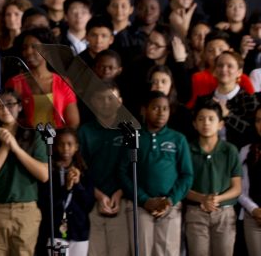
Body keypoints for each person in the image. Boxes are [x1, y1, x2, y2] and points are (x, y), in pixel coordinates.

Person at [119, 92, 193, 256]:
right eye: (155, 108)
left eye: (165, 108)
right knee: (141, 251)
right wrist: (145, 200)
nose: (161, 112)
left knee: (167, 251)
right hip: (140, 206)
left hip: (170, 206)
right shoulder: (133, 138)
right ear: (144, 110)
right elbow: (124, 173)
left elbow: (187, 175)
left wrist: (170, 200)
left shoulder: (178, 139)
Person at [0, 89, 48, 256]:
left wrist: (15, 147)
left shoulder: (33, 134)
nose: (4, 109)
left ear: (20, 106)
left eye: (10, 104)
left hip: (26, 210)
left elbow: (44, 175)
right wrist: (5, 146)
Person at [78, 83, 130, 256]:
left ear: (120, 101)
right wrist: (98, 195)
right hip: (91, 201)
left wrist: (120, 192)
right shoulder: (85, 131)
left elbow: (135, 168)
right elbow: (80, 169)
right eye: (100, 99)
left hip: (122, 201)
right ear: (92, 102)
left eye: (111, 98)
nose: (106, 102)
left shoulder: (128, 131)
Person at [184, 101, 241, 256]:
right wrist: (202, 198)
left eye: (211, 119)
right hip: (196, 212)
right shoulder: (187, 149)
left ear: (220, 124)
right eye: (201, 119)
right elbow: (182, 186)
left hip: (224, 212)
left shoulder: (230, 150)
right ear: (195, 124)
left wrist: (217, 199)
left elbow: (237, 187)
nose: (206, 123)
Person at [5, 27, 80, 129]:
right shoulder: (14, 83)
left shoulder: (62, 82)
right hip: (25, 142)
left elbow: (73, 122)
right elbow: (9, 118)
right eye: (24, 48)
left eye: (34, 47)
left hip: (57, 141)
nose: (28, 52)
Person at [39, 128, 94, 256]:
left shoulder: (84, 172)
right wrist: (66, 188)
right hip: (56, 231)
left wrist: (78, 184)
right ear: (55, 146)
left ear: (76, 147)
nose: (65, 148)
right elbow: (47, 204)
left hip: (79, 231)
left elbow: (88, 204)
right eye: (61, 144)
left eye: (70, 144)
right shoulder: (50, 172)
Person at [239, 105, 261, 255]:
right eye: (259, 120)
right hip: (253, 216)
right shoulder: (246, 151)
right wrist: (254, 209)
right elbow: (238, 188)